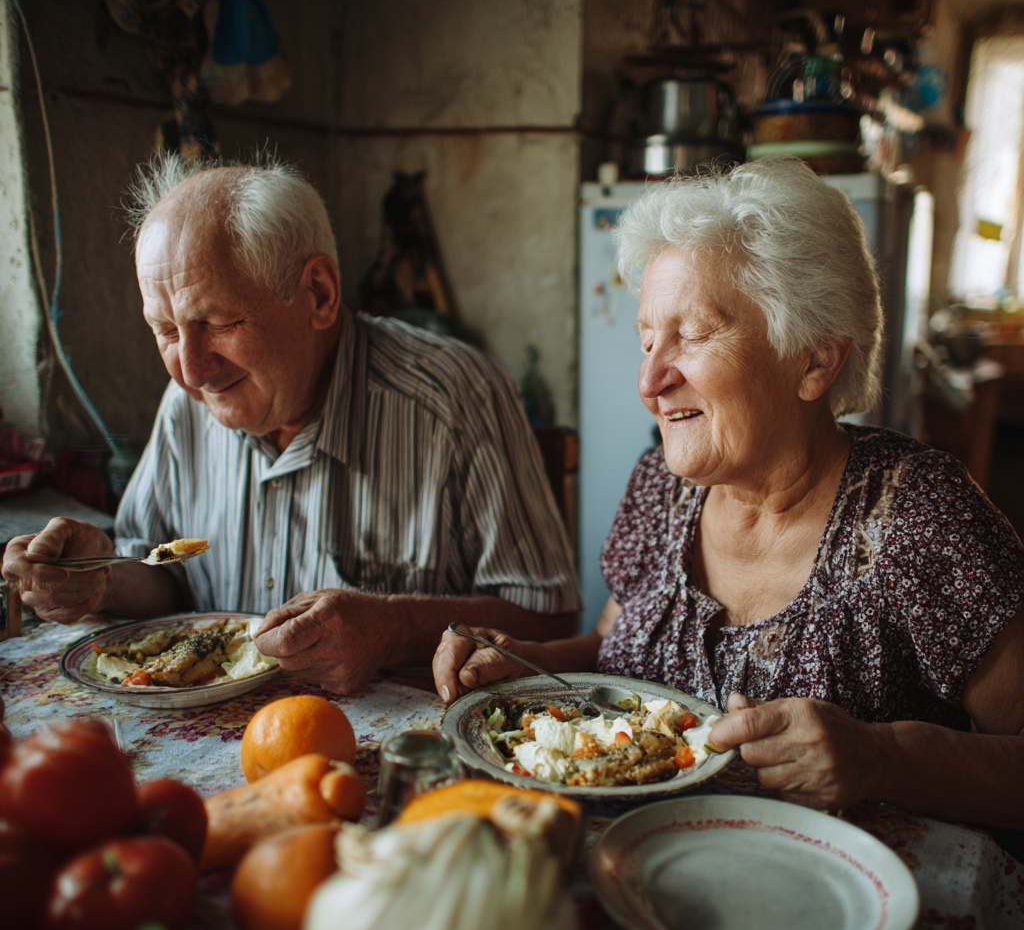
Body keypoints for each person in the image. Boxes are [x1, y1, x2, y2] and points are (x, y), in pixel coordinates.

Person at [433, 158, 1024, 831]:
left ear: (815, 359)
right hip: (645, 882)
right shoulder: (659, 486)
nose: (649, 380)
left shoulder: (921, 517)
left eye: (693, 336)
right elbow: (614, 649)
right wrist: (525, 663)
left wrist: (882, 756)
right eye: (648, 339)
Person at [2, 155, 581, 693]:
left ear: (319, 293)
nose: (193, 370)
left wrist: (395, 627)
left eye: (218, 321)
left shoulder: (458, 397)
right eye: (167, 331)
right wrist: (101, 575)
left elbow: (550, 620)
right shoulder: (187, 405)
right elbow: (166, 573)